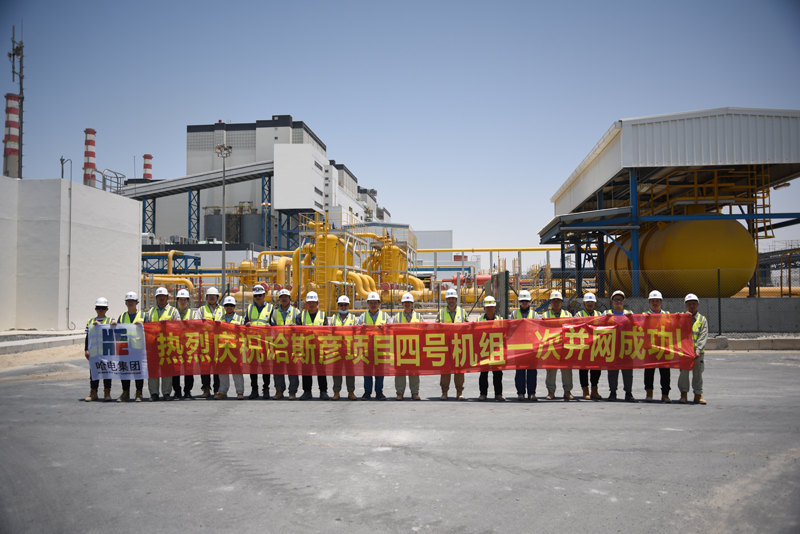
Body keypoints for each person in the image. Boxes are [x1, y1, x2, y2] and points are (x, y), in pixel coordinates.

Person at [146, 287, 180, 401]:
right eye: (159, 296)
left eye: (163, 296)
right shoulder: (150, 312)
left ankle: (166, 393)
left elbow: (179, 326)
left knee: (167, 369)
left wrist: (169, 324)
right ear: (156, 298)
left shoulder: (173, 311)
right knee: (153, 370)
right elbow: (146, 327)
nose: (161, 298)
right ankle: (154, 393)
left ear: (167, 298)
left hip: (167, 345)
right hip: (153, 344)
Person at [294, 291, 330, 400]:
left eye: (313, 302)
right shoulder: (301, 315)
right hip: (306, 348)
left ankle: (323, 391)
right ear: (306, 303)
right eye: (309, 302)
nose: (311, 304)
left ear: (317, 303)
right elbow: (297, 332)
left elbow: (327, 332)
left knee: (321, 370)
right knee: (306, 370)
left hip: (319, 347)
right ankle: (307, 391)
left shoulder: (322, 315)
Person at [357, 292, 392, 400]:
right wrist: (362, 328)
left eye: (375, 302)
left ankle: (379, 392)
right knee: (367, 371)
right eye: (371, 303)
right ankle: (367, 392)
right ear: (367, 303)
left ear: (379, 303)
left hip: (380, 349)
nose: (373, 305)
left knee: (379, 372)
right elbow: (357, 331)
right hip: (367, 349)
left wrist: (384, 328)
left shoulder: (385, 316)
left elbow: (390, 331)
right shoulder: (363, 317)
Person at [543, 290, 574, 401]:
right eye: (554, 301)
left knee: (567, 370)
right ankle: (551, 392)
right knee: (551, 370)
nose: (556, 303)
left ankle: (567, 391)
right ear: (550, 302)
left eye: (558, 301)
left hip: (565, 346)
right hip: (551, 346)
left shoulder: (568, 315)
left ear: (562, 302)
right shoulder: (545, 315)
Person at [437, 288, 467, 400]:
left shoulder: (462, 312)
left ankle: (459, 392)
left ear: (456, 299)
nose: (451, 300)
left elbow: (469, 327)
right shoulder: (441, 313)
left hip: (459, 345)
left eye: (453, 298)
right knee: (445, 369)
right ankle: (444, 392)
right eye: (449, 298)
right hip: (445, 345)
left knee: (459, 370)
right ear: (446, 300)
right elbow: (435, 328)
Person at [605, 290, 635, 402]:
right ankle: (612, 392)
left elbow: (638, 327)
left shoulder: (630, 313)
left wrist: (632, 319)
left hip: (626, 347)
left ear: (624, 301)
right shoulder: (606, 313)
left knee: (627, 371)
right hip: (612, 347)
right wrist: (605, 319)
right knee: (612, 371)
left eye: (620, 299)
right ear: (612, 301)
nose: (618, 301)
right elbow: (598, 326)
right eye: (616, 299)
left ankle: (628, 393)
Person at [270, 289, 300, 400]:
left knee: (293, 369)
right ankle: (279, 391)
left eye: (286, 297)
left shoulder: (296, 312)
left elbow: (301, 327)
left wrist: (295, 326)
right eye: (282, 297)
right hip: (278, 345)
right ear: (279, 299)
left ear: (290, 299)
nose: (284, 299)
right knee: (278, 369)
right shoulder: (274, 313)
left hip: (292, 345)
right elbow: (271, 328)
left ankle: (292, 392)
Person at [245, 284, 274, 400]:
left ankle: (266, 389)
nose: (258, 297)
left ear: (264, 295)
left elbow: (275, 324)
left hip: (265, 342)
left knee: (265, 367)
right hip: (253, 342)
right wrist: (246, 324)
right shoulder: (249, 308)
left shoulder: (271, 308)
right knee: (253, 367)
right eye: (256, 295)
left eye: (260, 295)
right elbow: (245, 322)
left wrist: (270, 325)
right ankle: (254, 390)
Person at [194, 287, 223, 399]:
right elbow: (195, 323)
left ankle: (217, 390)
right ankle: (206, 388)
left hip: (218, 343)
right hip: (204, 343)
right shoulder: (201, 310)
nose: (212, 297)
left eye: (214, 296)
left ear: (217, 297)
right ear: (206, 297)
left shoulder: (223, 309)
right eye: (210, 296)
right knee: (205, 366)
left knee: (217, 367)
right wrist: (202, 323)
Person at [679, 293, 708, 405]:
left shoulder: (702, 319)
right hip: (685, 352)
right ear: (686, 305)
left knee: (698, 374)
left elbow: (703, 336)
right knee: (683, 374)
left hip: (697, 353)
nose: (692, 306)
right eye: (689, 304)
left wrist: (698, 350)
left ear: (698, 305)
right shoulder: (682, 318)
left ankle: (698, 395)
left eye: (694, 303)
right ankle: (683, 395)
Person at [643, 290, 671, 403]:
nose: (655, 303)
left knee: (665, 373)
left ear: (661, 302)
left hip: (664, 348)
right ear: (649, 302)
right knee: (649, 372)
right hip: (650, 348)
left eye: (657, 301)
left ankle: (665, 394)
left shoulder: (668, 315)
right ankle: (649, 393)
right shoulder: (644, 315)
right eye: (653, 301)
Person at [117, 291, 145, 403]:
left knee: (138, 371)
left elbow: (150, 330)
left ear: (137, 302)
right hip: (125, 348)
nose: (130, 303)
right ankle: (125, 392)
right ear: (125, 303)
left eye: (132, 301)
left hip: (138, 348)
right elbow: (117, 331)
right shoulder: (122, 316)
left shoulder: (143, 316)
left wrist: (143, 325)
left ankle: (139, 393)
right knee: (125, 371)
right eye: (128, 301)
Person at [84, 297, 114, 402]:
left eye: (103, 308)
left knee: (107, 372)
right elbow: (88, 336)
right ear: (95, 309)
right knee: (94, 372)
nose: (101, 310)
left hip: (106, 351)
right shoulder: (90, 321)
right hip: (94, 351)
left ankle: (107, 393)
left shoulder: (111, 320)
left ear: (107, 309)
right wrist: (86, 349)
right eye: (98, 307)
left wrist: (114, 326)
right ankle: (93, 393)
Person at [215, 296, 245, 400]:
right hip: (223, 349)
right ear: (224, 307)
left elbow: (245, 333)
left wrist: (240, 327)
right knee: (222, 371)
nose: (229, 307)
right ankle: (222, 391)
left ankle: (240, 392)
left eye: (231, 305)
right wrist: (216, 325)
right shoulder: (220, 319)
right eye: (227, 305)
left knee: (237, 371)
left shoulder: (240, 319)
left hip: (235, 349)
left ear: (234, 307)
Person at [510, 289, 538, 401]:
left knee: (532, 371)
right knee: (520, 371)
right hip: (519, 346)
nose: (524, 302)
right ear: (519, 302)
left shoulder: (535, 315)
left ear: (530, 301)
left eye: (526, 301)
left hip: (532, 346)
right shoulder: (514, 314)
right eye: (522, 301)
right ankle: (520, 393)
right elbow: (510, 329)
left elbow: (539, 330)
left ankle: (532, 393)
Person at [394, 292, 422, 401]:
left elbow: (424, 331)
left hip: (414, 348)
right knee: (400, 371)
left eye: (409, 302)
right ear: (402, 304)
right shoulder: (397, 317)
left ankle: (415, 392)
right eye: (405, 302)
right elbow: (392, 332)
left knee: (414, 371)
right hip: (401, 348)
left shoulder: (418, 317)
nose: (407, 304)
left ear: (412, 303)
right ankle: (400, 392)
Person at [330, 295, 357, 400]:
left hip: (349, 349)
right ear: (338, 306)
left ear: (348, 306)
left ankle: (351, 392)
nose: (343, 307)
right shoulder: (333, 318)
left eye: (345, 305)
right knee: (336, 372)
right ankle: (336, 392)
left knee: (350, 372)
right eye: (341, 305)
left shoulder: (353, 318)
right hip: (336, 349)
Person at [576, 292, 602, 400]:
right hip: (583, 345)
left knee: (596, 368)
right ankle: (585, 390)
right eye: (588, 302)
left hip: (596, 345)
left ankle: (594, 390)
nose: (590, 304)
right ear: (584, 303)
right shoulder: (579, 315)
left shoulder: (599, 314)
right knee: (583, 369)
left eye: (592, 302)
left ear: (595, 303)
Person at [478, 296, 504, 401]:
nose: (489, 309)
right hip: (483, 350)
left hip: (496, 350)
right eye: (487, 307)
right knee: (483, 373)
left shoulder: (500, 320)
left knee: (498, 373)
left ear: (495, 308)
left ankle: (498, 394)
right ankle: (483, 394)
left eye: (491, 307)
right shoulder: (479, 320)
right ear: (484, 308)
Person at [172, 288, 194, 400]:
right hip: (175, 344)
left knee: (188, 369)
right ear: (177, 301)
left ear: (188, 301)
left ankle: (187, 391)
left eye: (185, 299)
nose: (183, 302)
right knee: (175, 369)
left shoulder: (193, 314)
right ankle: (177, 391)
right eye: (180, 299)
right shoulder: (172, 313)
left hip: (188, 345)